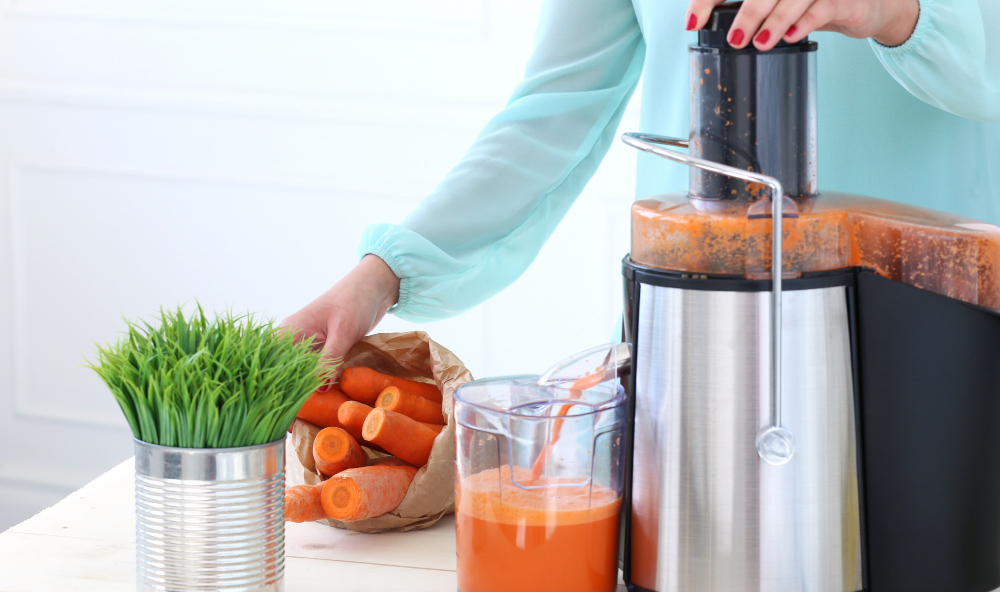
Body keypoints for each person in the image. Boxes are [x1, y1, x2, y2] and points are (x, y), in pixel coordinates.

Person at [282, 0, 1000, 360]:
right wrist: (386, 273)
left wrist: (895, 12)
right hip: (696, 332)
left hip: (928, 321)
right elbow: (556, 111)